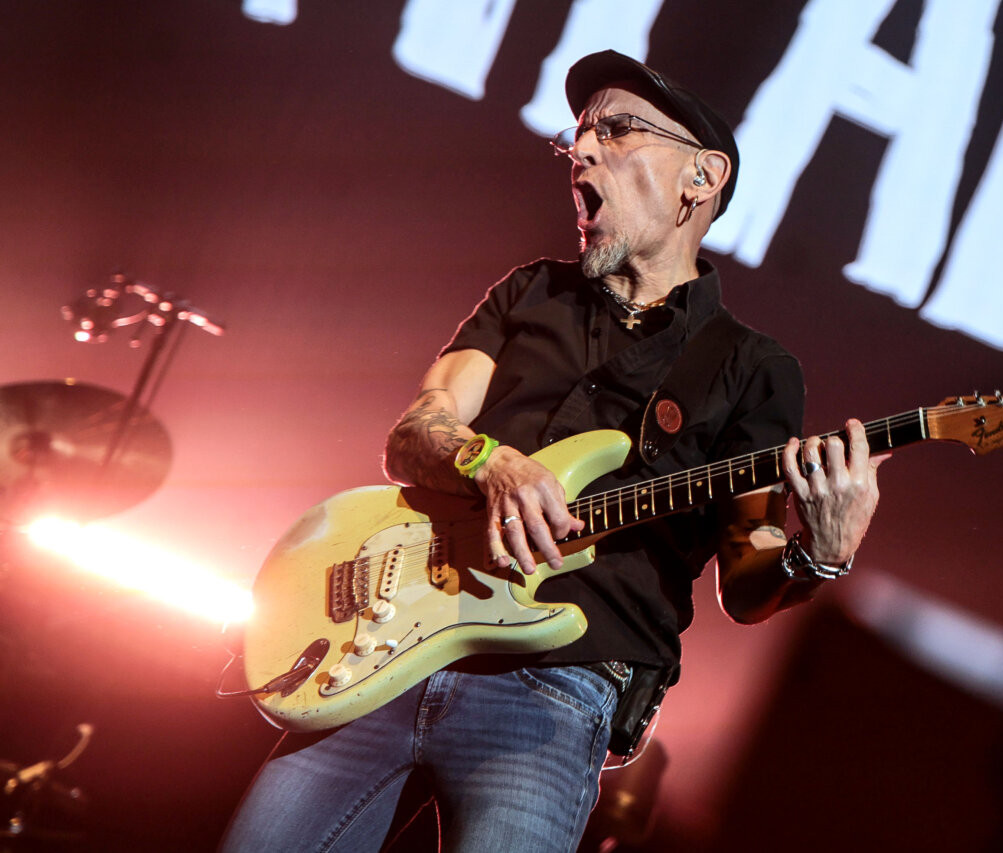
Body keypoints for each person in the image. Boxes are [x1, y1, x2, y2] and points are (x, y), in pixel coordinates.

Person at [220, 50, 885, 853]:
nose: (583, 152)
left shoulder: (753, 368)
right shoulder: (529, 293)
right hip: (383, 651)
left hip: (559, 687)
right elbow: (415, 430)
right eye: (576, 138)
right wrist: (486, 462)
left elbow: (748, 578)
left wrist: (823, 555)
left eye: (617, 129)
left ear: (700, 179)